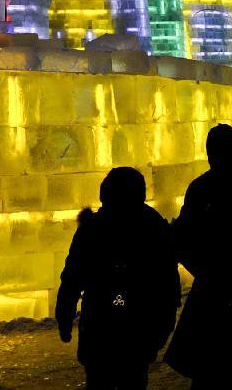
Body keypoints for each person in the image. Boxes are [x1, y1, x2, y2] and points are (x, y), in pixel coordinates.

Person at [56, 167, 180, 389]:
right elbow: (168, 284)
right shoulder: (152, 225)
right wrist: (163, 327)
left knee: (101, 380)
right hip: (137, 326)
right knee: (133, 379)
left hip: (100, 325)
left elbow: (72, 278)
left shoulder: (93, 227)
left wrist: (64, 317)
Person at [165, 123, 232, 386]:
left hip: (216, 275)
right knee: (231, 336)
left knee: (207, 339)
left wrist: (199, 268)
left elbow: (184, 232)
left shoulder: (204, 186)